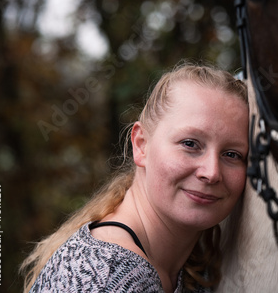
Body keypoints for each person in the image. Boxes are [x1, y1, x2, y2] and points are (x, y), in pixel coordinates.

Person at [20, 63, 249, 293]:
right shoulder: (110, 277)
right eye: (190, 144)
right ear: (141, 145)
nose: (211, 172)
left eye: (232, 154)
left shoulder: (193, 269)